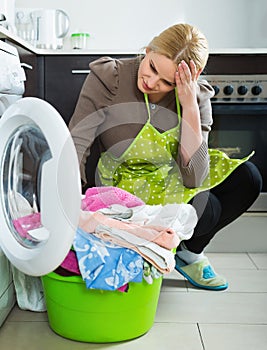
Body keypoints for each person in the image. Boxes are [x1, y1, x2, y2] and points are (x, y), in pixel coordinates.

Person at [69, 23, 262, 291]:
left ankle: (188, 254)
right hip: (124, 189)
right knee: (206, 209)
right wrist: (70, 202)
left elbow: (195, 178)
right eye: (152, 67)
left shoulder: (195, 95)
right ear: (147, 50)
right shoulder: (110, 78)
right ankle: (161, 246)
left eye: (166, 82)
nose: (151, 82)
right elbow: (78, 140)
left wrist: (189, 105)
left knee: (247, 179)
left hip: (173, 180)